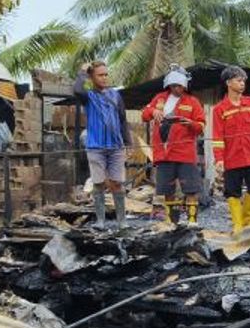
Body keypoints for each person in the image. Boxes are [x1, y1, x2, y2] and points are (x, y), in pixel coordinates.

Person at [141, 66, 206, 224]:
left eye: (180, 85)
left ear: (185, 85)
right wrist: (153, 112)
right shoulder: (159, 99)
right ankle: (172, 222)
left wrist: (191, 123)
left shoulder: (192, 102)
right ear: (168, 85)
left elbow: (202, 126)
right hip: (164, 154)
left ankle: (192, 222)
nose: (177, 88)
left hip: (185, 154)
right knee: (167, 190)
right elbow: (144, 114)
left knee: (191, 189)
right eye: (174, 85)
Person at [212, 65, 250, 234]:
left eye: (243, 80)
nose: (242, 84)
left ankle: (248, 222)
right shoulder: (219, 110)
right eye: (239, 80)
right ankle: (237, 225)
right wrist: (219, 159)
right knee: (232, 192)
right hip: (232, 159)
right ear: (228, 83)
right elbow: (217, 138)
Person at [74, 61, 134, 228]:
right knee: (99, 183)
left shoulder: (115, 95)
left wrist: (128, 142)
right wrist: (83, 71)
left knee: (117, 183)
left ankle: (122, 221)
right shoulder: (88, 96)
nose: (104, 77)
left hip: (115, 147)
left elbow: (122, 119)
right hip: (96, 147)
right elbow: (77, 90)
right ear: (92, 77)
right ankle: (100, 221)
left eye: (106, 74)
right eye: (100, 75)